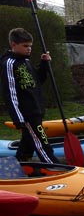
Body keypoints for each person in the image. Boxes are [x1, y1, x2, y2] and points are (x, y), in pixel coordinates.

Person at [0, 28, 59, 163]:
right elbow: (10, 92)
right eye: (25, 46)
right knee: (42, 143)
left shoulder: (26, 61)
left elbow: (38, 81)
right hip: (27, 114)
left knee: (27, 144)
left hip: (36, 110)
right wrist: (18, 118)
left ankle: (21, 165)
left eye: (30, 46)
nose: (29, 49)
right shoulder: (9, 64)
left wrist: (44, 64)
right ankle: (54, 167)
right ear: (13, 44)